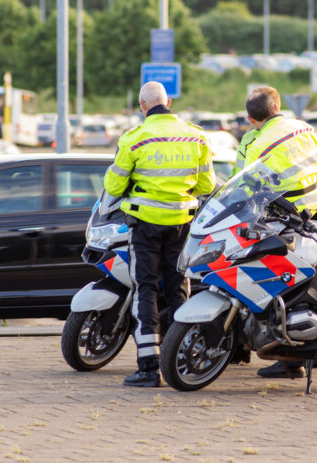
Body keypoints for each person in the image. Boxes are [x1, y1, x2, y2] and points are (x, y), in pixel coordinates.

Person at [103, 81, 215, 387]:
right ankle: (184, 357)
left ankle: (149, 368)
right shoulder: (197, 137)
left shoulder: (134, 139)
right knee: (179, 287)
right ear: (169, 102)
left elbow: (113, 187)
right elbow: (206, 186)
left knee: (147, 289)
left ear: (142, 106)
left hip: (146, 226)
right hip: (183, 225)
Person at [237, 86, 317, 379]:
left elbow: (241, 187)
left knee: (282, 284)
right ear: (276, 107)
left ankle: (290, 357)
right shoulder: (303, 129)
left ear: (251, 119)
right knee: (304, 282)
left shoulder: (256, 145)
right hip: (314, 212)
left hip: (284, 219)